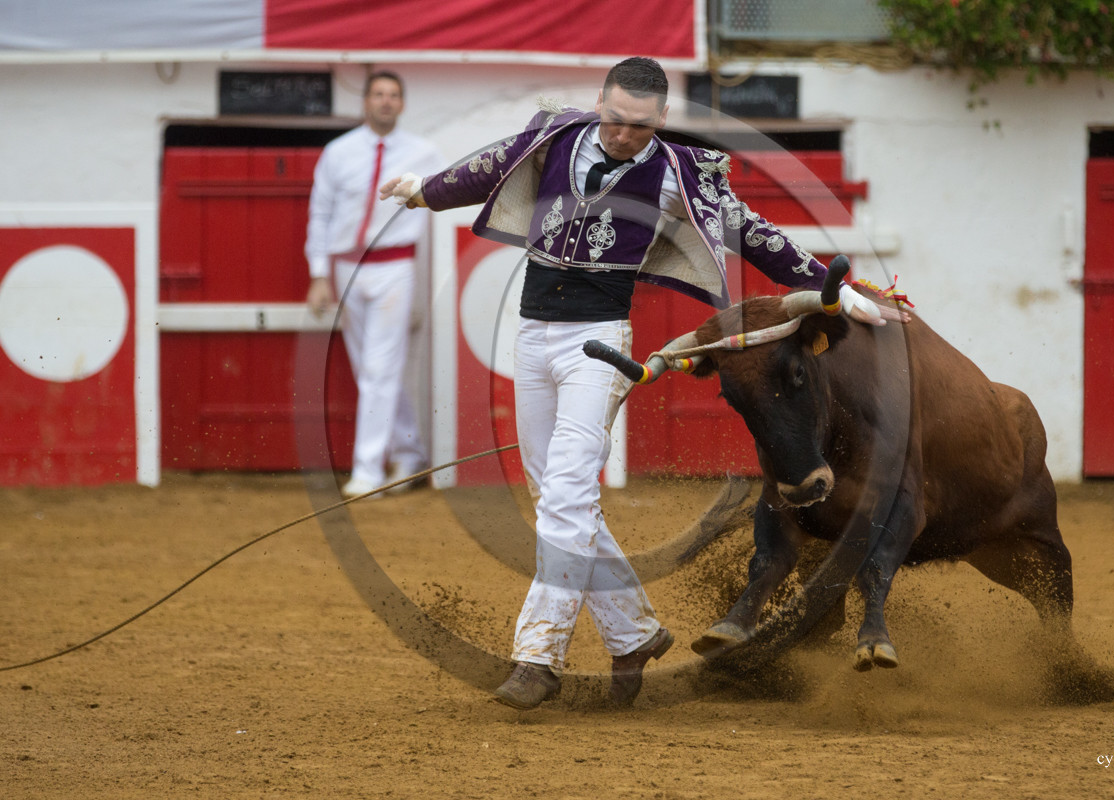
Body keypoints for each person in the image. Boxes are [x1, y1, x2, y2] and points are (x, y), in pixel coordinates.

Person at [380, 57, 904, 709]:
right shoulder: (554, 136)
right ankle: (634, 633)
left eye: (638, 127)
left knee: (565, 500)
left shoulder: (680, 173)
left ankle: (538, 655)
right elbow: (489, 167)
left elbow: (755, 234)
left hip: (595, 345)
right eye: (615, 119)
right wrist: (423, 191)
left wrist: (840, 287)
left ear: (660, 121)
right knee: (558, 495)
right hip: (533, 337)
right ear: (600, 102)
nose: (623, 135)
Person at [305, 71, 445, 498]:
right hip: (348, 268)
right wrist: (318, 274)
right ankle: (409, 453)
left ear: (402, 104)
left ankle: (368, 471)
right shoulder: (338, 152)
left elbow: (446, 202)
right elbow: (321, 213)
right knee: (373, 368)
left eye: (393, 95)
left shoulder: (424, 152)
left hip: (394, 268)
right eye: (378, 94)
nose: (385, 101)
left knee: (379, 369)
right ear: (365, 102)